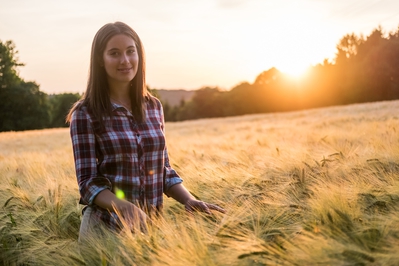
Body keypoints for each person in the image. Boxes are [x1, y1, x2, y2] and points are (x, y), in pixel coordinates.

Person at [66, 21, 224, 242]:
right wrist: (125, 208)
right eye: (114, 53)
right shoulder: (85, 113)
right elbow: (88, 184)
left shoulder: (153, 107)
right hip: (104, 235)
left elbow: (162, 169)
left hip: (150, 231)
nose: (125, 60)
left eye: (131, 51)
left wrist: (189, 200)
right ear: (100, 61)